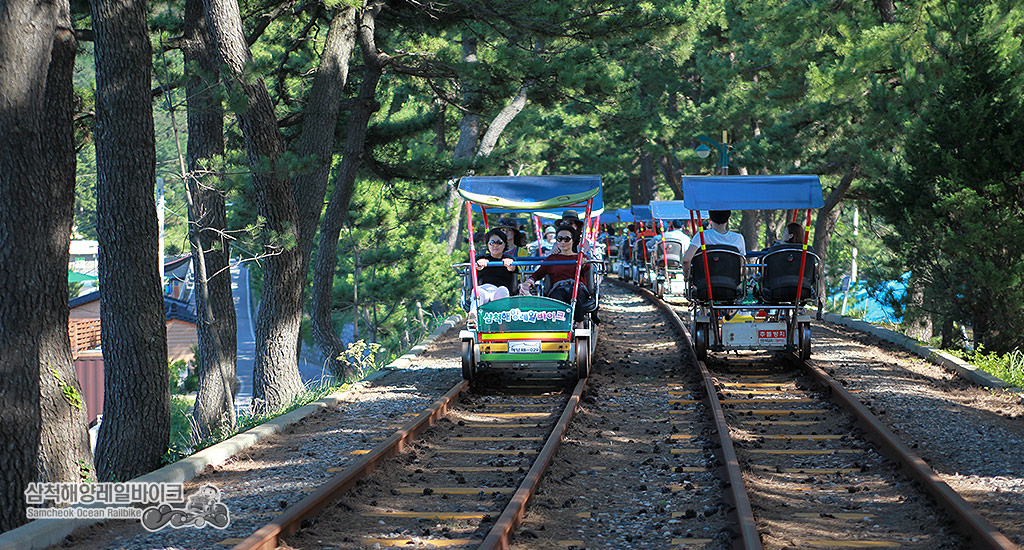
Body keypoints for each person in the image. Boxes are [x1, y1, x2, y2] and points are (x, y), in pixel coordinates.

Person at [519, 226, 592, 312]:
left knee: (575, 296)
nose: (562, 242)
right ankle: (560, 323)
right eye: (559, 239)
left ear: (573, 240)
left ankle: (580, 323)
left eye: (566, 239)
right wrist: (528, 283)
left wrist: (583, 263)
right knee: (558, 300)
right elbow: (538, 274)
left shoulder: (580, 258)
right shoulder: (552, 259)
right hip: (559, 289)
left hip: (577, 288)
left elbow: (587, 267)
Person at [682, 210, 746, 275]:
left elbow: (686, 260)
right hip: (730, 281)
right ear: (728, 219)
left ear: (710, 218)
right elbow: (740, 263)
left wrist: (687, 275)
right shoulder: (738, 238)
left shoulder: (701, 236)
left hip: (703, 280)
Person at [470, 229, 518, 313]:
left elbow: (512, 269)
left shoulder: (509, 259)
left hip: (500, 290)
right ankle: (474, 317)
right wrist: (479, 265)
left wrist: (510, 265)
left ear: (504, 245)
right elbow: (477, 268)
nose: (495, 246)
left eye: (499, 242)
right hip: (485, 290)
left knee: (503, 291)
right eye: (492, 243)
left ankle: (501, 319)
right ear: (488, 245)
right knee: (478, 292)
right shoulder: (481, 259)